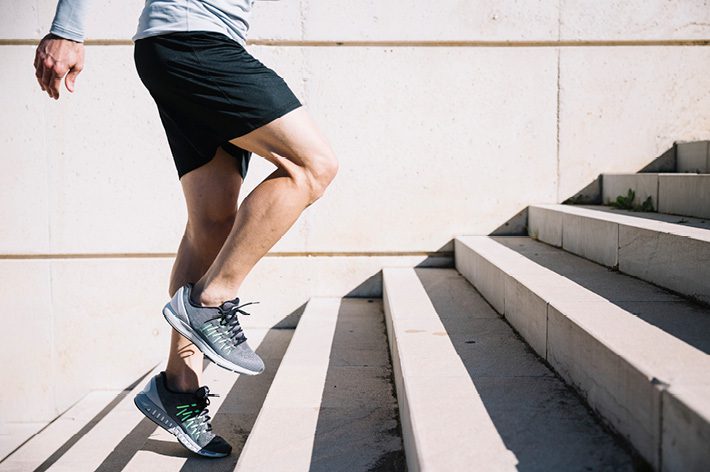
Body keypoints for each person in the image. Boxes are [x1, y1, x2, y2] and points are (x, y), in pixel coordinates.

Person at [33, 0, 338, 457]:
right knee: (312, 166)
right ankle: (211, 300)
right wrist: (67, 27)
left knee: (211, 223)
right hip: (192, 40)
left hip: (185, 44)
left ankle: (178, 388)